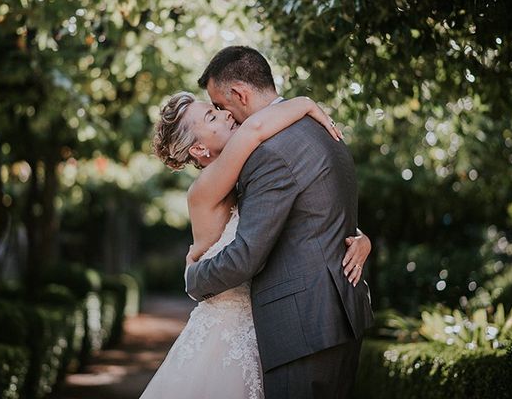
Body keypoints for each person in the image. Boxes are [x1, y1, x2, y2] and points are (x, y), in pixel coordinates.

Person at [142, 83, 371, 398]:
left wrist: (360, 236)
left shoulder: (241, 175)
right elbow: (256, 129)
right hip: (228, 330)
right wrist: (305, 102)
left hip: (264, 325)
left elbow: (290, 219)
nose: (225, 115)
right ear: (199, 149)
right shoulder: (206, 186)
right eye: (211, 116)